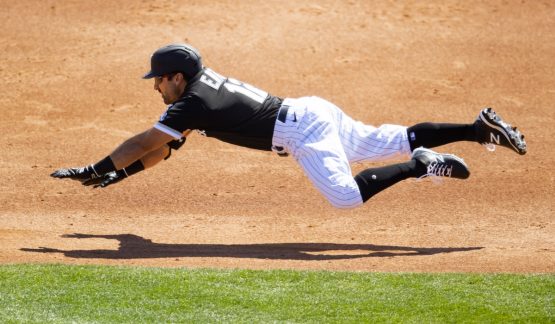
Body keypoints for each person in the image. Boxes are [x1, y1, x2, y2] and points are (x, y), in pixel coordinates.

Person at [51, 43, 527, 209]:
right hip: (311, 110)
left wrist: (97, 167)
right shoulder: (199, 92)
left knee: (345, 197)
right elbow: (163, 151)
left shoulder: (188, 103)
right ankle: (475, 128)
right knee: (389, 137)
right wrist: (120, 174)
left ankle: (420, 166)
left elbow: (145, 141)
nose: (155, 88)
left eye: (158, 81)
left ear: (176, 77)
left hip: (302, 132)